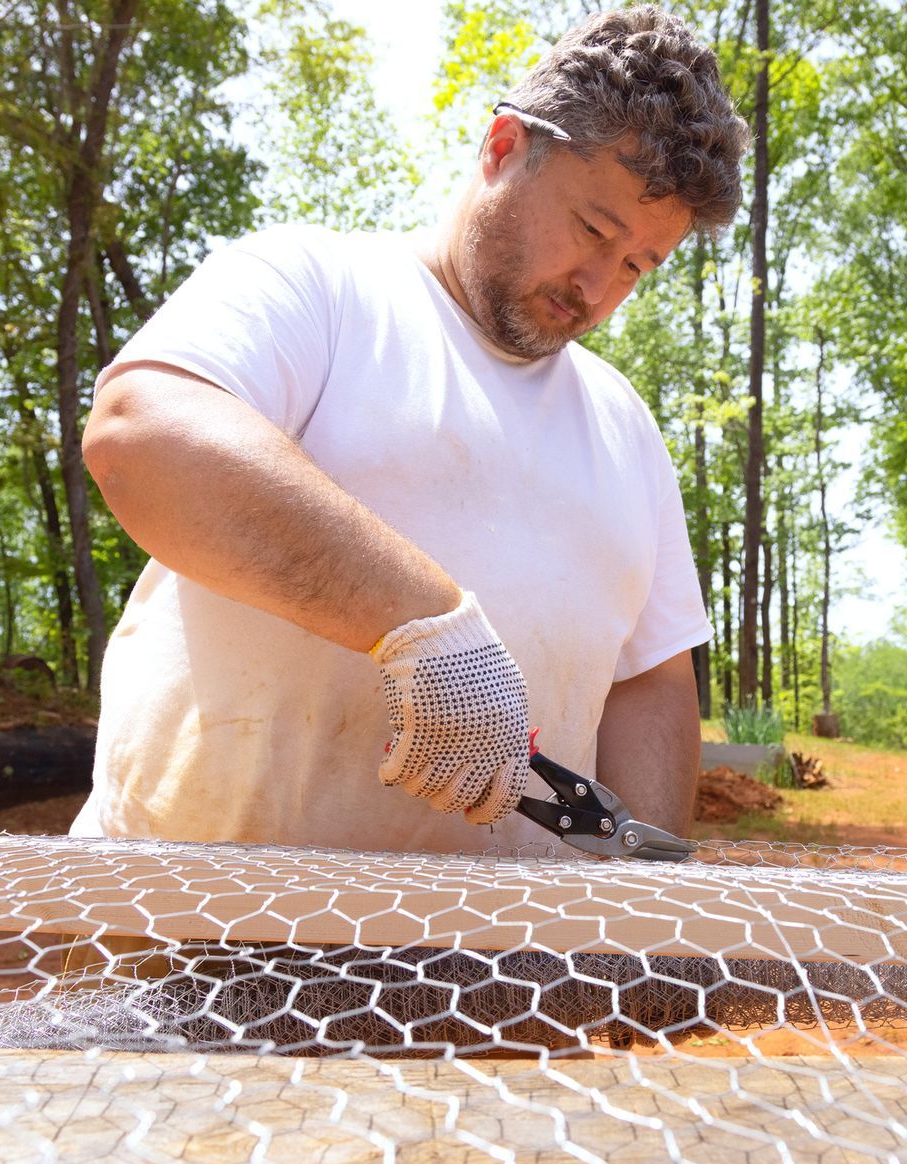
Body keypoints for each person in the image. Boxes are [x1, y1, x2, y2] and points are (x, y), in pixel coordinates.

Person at [73, 6, 749, 852]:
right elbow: (141, 433)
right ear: (504, 147)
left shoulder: (625, 426)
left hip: (505, 973)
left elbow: (649, 680)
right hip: (187, 933)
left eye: (636, 266)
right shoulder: (316, 285)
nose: (598, 288)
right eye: (593, 230)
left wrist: (640, 908)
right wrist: (422, 627)